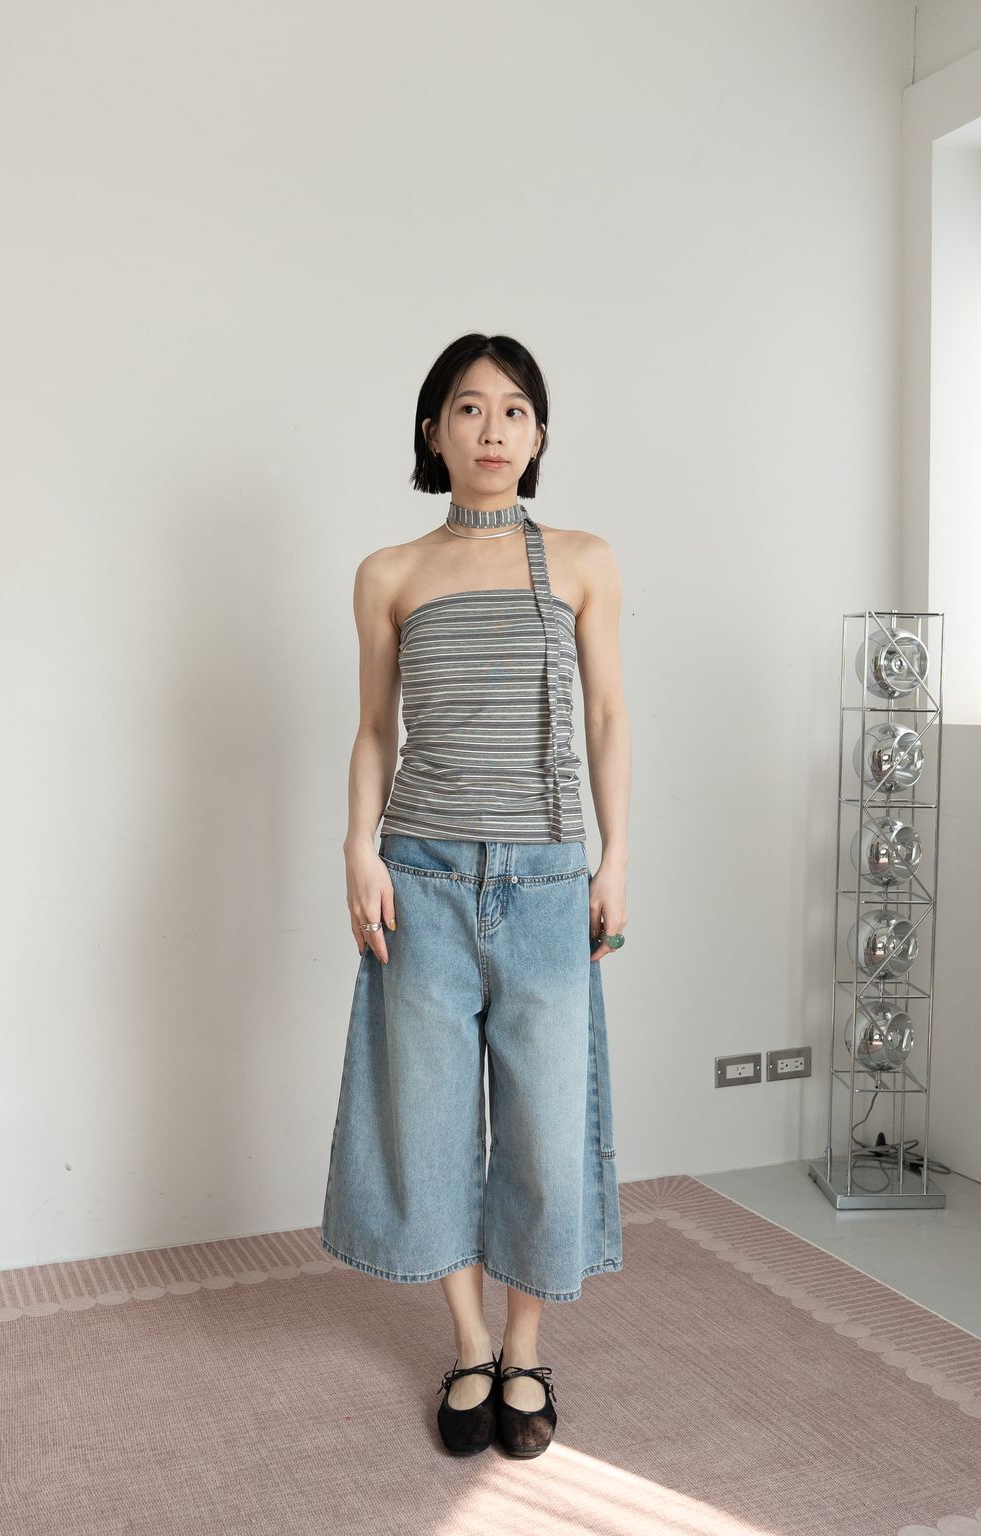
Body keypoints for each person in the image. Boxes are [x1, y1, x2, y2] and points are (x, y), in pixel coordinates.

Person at [320, 332, 631, 1458]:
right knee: (431, 1121)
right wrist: (358, 849)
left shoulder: (583, 561)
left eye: (514, 410)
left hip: (546, 884)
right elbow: (374, 730)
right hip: (422, 882)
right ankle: (467, 1345)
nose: (492, 429)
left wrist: (615, 857)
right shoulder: (389, 573)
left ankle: (527, 1349)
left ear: (538, 436)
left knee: (545, 1131)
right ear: (432, 430)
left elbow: (607, 716)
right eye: (468, 407)